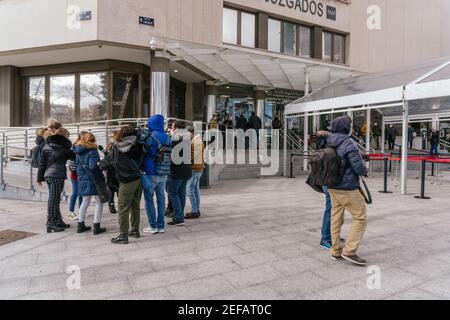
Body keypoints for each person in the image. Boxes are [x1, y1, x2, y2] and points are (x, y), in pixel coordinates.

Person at [327, 115, 369, 266]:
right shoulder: (349, 142)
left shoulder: (329, 140)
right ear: (346, 128)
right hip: (347, 187)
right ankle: (350, 251)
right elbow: (358, 167)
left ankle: (335, 251)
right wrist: (365, 170)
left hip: (332, 186)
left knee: (336, 218)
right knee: (360, 217)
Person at [99, 125, 145, 244]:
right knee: (135, 206)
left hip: (126, 181)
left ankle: (123, 235)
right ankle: (135, 230)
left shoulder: (117, 147)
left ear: (122, 134)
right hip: (138, 179)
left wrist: (100, 164)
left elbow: (107, 163)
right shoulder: (139, 144)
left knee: (123, 208)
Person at [37, 127, 75, 233]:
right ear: (64, 137)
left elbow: (42, 163)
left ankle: (58, 220)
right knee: (54, 200)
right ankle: (51, 223)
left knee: (54, 199)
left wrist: (39, 177)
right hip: (57, 176)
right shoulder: (64, 148)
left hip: (48, 175)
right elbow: (75, 156)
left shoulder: (46, 145)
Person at [142, 114, 172, 234]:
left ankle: (153, 226)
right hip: (163, 172)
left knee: (149, 200)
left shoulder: (150, 137)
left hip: (151, 172)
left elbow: (146, 152)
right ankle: (161, 225)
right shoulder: (167, 137)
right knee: (161, 199)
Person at [74, 132, 107, 235]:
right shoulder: (92, 151)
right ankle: (96, 226)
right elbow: (93, 167)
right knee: (98, 202)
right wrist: (101, 166)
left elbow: (78, 166)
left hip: (83, 178)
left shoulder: (78, 150)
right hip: (94, 179)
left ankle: (80, 225)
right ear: (92, 140)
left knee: (85, 201)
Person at [167, 121, 192, 226]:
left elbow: (171, 153)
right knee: (181, 193)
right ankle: (180, 215)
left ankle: (178, 217)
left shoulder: (175, 138)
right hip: (186, 169)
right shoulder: (187, 137)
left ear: (176, 128)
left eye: (172, 127)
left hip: (177, 170)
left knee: (172, 193)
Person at [316, 130, 333, 250]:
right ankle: (325, 238)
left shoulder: (320, 151)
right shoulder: (328, 153)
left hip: (326, 182)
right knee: (330, 209)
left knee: (334, 209)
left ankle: (331, 234)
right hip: (329, 182)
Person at [185, 126, 205, 220]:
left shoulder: (196, 141)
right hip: (198, 168)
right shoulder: (197, 140)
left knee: (189, 189)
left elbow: (192, 156)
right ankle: (196, 209)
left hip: (194, 168)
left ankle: (194, 211)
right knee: (195, 189)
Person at [103, 130, 120, 214]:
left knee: (119, 190)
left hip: (118, 171)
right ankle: (111, 205)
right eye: (111, 136)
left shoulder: (119, 146)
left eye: (113, 136)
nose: (111, 138)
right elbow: (107, 158)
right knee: (111, 190)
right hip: (110, 171)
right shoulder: (109, 146)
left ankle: (120, 205)